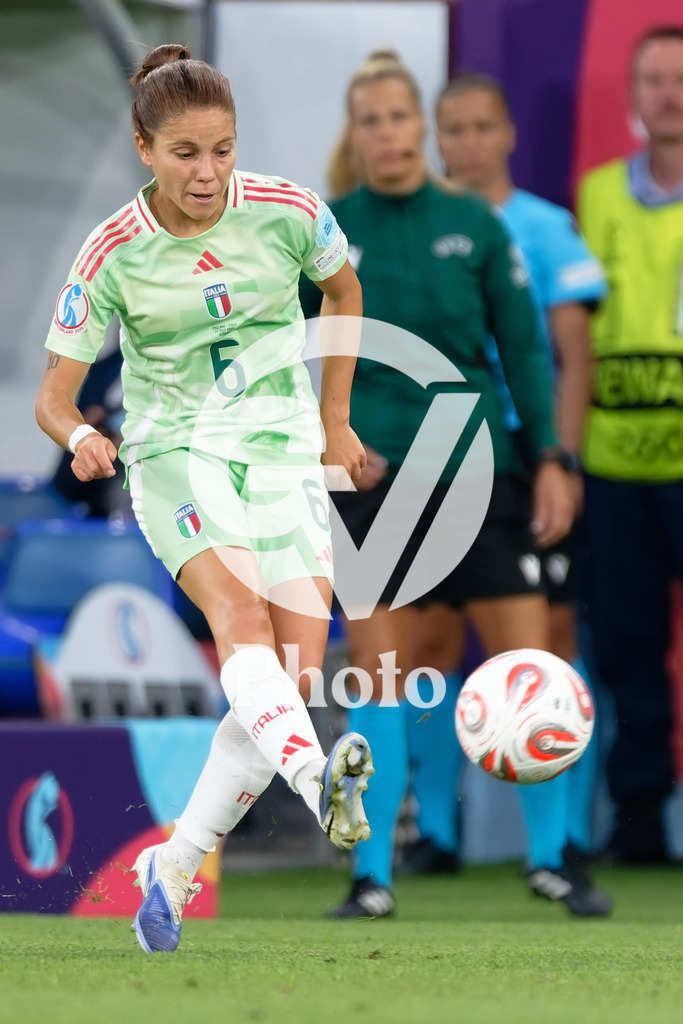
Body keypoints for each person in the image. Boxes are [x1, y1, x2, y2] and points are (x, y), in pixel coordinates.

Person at [35, 44, 374, 953]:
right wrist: (82, 436)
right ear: (143, 147)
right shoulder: (110, 251)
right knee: (241, 624)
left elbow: (342, 288)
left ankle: (172, 867)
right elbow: (52, 398)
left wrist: (334, 422)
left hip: (282, 451)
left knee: (291, 683)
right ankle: (318, 782)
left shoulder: (290, 211)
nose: (207, 172)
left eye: (221, 149)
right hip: (174, 451)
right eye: (185, 153)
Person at [300, 51, 577, 919]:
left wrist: (552, 463)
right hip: (372, 487)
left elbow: (526, 353)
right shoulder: (322, 230)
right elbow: (282, 358)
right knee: (379, 680)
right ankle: (370, 875)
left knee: (528, 670)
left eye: (396, 115)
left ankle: (552, 863)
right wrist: (327, 435)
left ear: (421, 127)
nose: (385, 133)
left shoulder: (475, 225)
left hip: (479, 474)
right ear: (357, 135)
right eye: (368, 119)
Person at [400, 73, 612, 913]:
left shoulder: (543, 228)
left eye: (482, 127)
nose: (467, 143)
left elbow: (569, 356)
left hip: (521, 461)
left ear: (508, 134)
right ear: (436, 138)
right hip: (431, 458)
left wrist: (558, 459)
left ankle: (558, 846)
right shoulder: (415, 228)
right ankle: (438, 837)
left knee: (546, 647)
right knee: (425, 643)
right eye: (452, 129)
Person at [577, 25, 683, 864]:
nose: (668, 93)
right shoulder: (598, 195)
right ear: (632, 95)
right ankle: (639, 819)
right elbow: (570, 338)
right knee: (625, 650)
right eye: (653, 78)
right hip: (613, 465)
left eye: (680, 78)